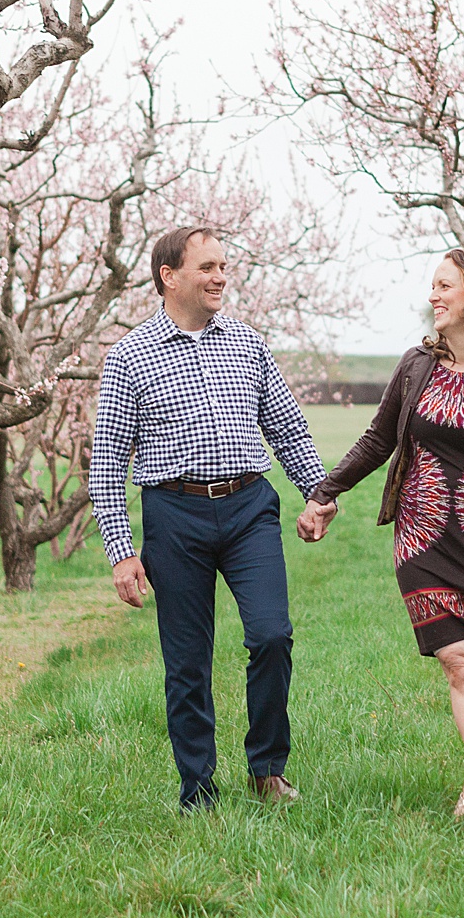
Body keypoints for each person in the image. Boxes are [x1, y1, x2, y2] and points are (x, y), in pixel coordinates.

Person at [297, 248, 464, 845]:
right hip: (422, 537)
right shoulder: (416, 367)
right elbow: (379, 439)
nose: (433, 296)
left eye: (445, 286)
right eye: (433, 286)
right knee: (461, 661)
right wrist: (324, 492)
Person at [89, 226, 328, 812]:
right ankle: (197, 788)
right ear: (170, 277)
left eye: (224, 266)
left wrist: (319, 494)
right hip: (175, 515)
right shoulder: (129, 356)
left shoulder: (248, 343)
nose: (221, 276)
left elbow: (288, 428)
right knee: (187, 660)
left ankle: (266, 769)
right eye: (208, 267)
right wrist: (123, 552)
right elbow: (108, 463)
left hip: (250, 508)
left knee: (272, 635)